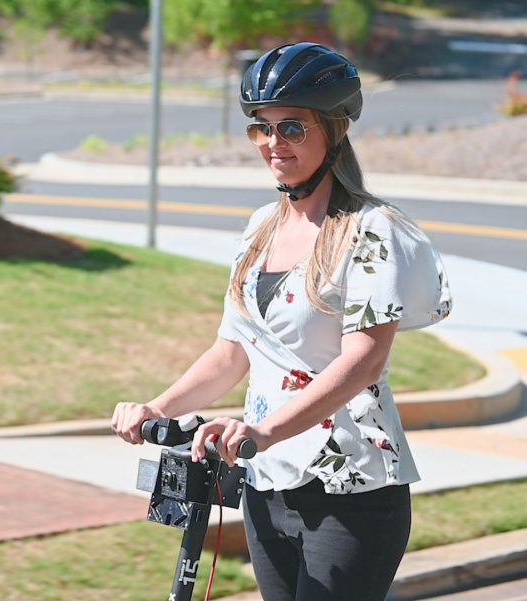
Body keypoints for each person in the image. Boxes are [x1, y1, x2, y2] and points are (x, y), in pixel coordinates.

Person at [110, 42, 452, 601]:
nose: (274, 143)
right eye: (261, 128)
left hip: (349, 486)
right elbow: (232, 351)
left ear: (334, 130)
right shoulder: (260, 228)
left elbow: (364, 360)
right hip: (265, 479)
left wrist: (266, 431)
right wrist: (158, 408)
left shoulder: (371, 231)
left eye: (291, 127)